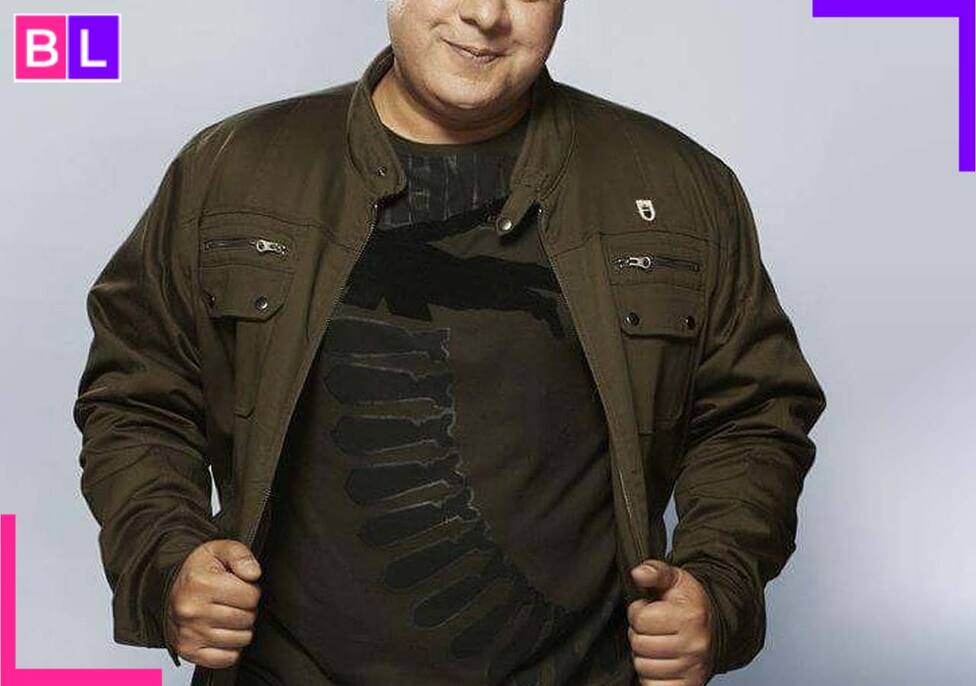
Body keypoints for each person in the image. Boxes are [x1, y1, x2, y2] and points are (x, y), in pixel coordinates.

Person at [72, 1, 827, 685]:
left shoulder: (681, 190)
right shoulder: (233, 171)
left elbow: (755, 417)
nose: (487, 14)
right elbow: (137, 397)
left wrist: (717, 584)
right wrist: (168, 562)